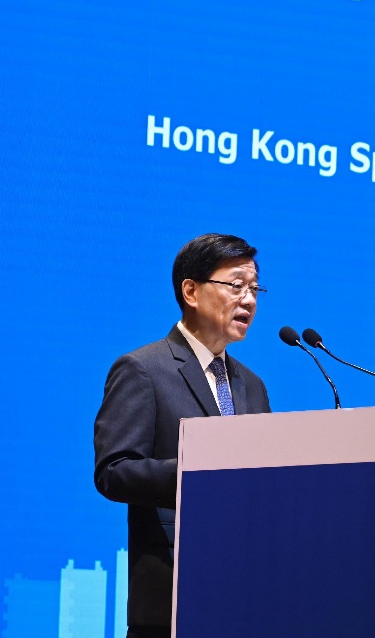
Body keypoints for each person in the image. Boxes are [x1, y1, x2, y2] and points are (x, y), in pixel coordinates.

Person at [94, 233, 272, 638]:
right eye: (236, 285)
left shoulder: (253, 385)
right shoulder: (143, 369)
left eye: (255, 288)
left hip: (244, 597)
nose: (249, 300)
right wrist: (200, 472)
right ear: (190, 290)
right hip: (171, 597)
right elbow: (114, 471)